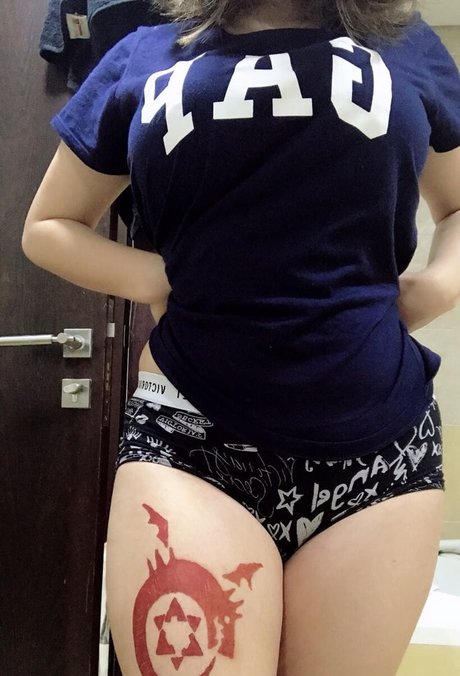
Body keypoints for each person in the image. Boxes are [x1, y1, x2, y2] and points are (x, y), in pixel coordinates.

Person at [23, 0, 460, 673]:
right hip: (191, 440)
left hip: (381, 453)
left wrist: (436, 287)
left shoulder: (403, 43)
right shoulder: (146, 54)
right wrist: (165, 278)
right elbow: (49, 226)